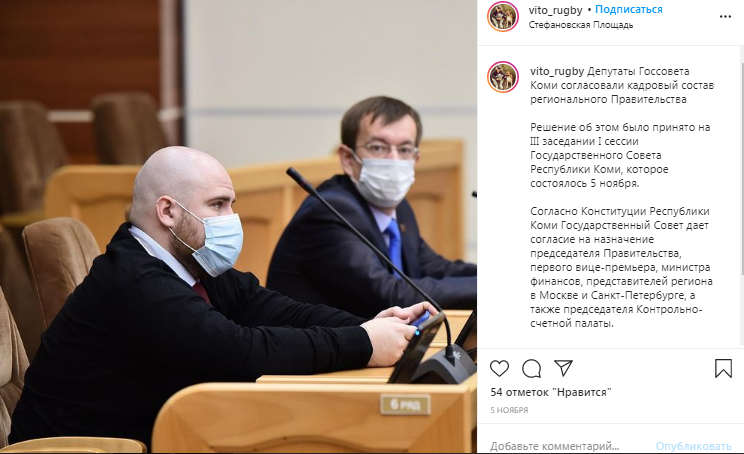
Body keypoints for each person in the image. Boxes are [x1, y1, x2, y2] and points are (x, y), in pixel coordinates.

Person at [9, 147, 432, 448]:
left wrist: (369, 326)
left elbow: (277, 310)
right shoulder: (133, 280)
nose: (232, 218)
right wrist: (363, 343)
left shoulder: (191, 265)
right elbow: (238, 352)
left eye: (231, 204)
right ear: (168, 212)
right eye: (218, 205)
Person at [267, 96, 476, 319]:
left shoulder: (399, 209)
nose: (394, 160)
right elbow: (392, 295)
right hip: (317, 339)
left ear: (415, 159)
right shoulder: (328, 213)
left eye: (404, 149)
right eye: (378, 147)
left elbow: (435, 268)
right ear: (348, 159)